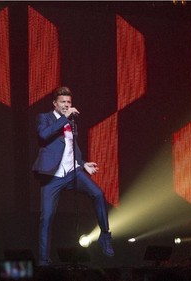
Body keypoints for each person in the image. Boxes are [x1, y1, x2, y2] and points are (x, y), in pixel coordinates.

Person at [32, 86, 115, 266]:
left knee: (98, 194)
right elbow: (43, 135)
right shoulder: (45, 118)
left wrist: (83, 163)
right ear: (55, 103)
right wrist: (64, 118)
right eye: (62, 102)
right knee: (46, 217)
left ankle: (105, 236)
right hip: (52, 177)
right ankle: (44, 260)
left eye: (68, 102)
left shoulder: (70, 122)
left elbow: (71, 146)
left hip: (72, 172)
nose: (66, 105)